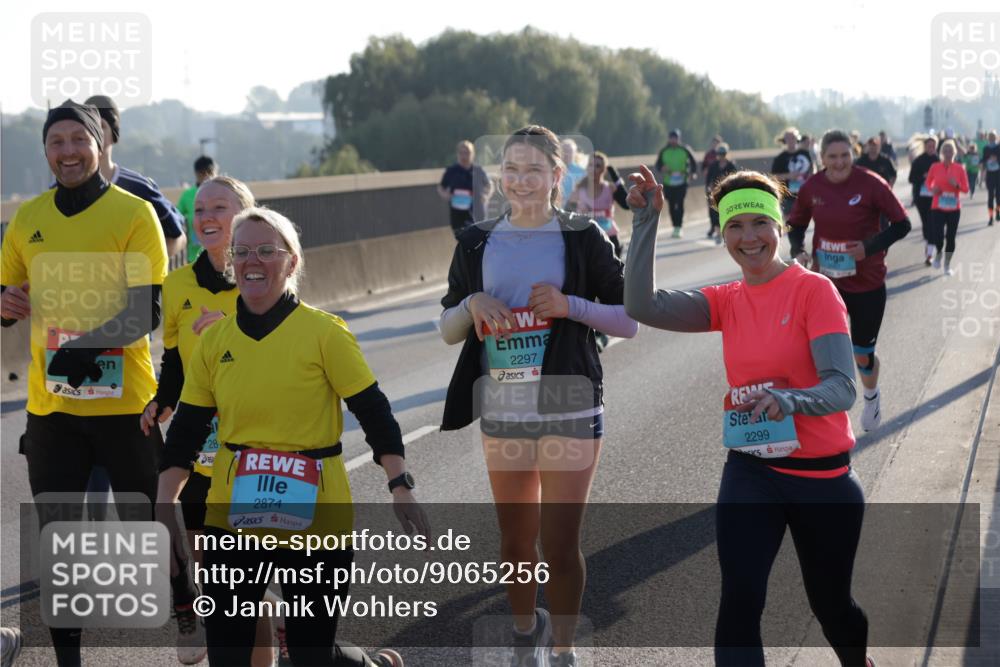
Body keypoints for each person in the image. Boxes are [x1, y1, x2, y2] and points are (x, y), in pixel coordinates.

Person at [623, 165, 873, 667]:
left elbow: (843, 387)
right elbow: (642, 306)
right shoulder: (726, 300)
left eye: (760, 222)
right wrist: (646, 221)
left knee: (831, 606)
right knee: (740, 600)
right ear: (723, 234)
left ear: (779, 225)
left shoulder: (814, 291)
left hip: (822, 479)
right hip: (751, 472)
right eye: (735, 226)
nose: (749, 237)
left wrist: (791, 400)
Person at [157, 206, 424, 666]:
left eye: (267, 250)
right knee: (228, 652)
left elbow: (373, 411)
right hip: (232, 515)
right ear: (231, 263)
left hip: (317, 515)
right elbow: (186, 432)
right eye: (242, 252)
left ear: (292, 262)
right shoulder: (214, 342)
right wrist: (164, 509)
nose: (252, 261)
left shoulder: (324, 333)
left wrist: (400, 484)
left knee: (309, 653)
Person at [439, 125, 637, 667]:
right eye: (511, 168)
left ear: (557, 176)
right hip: (504, 405)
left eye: (534, 170)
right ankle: (527, 633)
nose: (521, 180)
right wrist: (472, 305)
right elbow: (448, 328)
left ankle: (566, 650)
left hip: (569, 400)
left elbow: (629, 321)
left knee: (559, 542)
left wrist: (570, 306)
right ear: (499, 174)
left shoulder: (583, 236)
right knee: (514, 542)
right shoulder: (476, 240)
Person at [0, 99, 168, 666]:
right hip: (53, 411)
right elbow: (5, 296)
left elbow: (145, 311)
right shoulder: (27, 218)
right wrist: (5, 303)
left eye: (79, 140)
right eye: (57, 142)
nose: (68, 151)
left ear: (99, 145)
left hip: (127, 406)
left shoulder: (134, 214)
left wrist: (81, 348)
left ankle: (188, 608)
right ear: (45, 151)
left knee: (154, 527)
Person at [140, 175, 285, 666]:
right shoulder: (177, 284)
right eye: (199, 209)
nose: (205, 217)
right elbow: (175, 360)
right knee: (221, 579)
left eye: (219, 207)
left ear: (244, 214)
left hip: (260, 446)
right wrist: (161, 401)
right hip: (202, 452)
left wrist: (231, 331)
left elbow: (287, 355)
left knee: (252, 577)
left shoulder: (266, 277)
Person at [787, 130, 912, 433]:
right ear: (822, 158)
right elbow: (796, 224)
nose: (839, 162)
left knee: (862, 355)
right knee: (818, 352)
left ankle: (871, 396)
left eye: (845, 155)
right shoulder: (812, 187)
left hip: (867, 283)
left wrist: (867, 248)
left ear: (853, 155)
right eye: (832, 157)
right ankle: (822, 414)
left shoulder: (871, 183)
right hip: (826, 285)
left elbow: (903, 224)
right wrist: (798, 249)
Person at [84, 95, 187, 259]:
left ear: (114, 134)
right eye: (89, 126)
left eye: (101, 126)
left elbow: (178, 236)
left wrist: (144, 267)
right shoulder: (60, 190)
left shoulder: (140, 187)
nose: (94, 133)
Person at [566, 151, 629, 257]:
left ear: (604, 170)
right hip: (587, 238)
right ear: (586, 168)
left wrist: (615, 177)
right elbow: (566, 215)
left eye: (598, 166)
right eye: (590, 165)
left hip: (609, 237)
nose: (593, 169)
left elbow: (627, 205)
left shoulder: (610, 188)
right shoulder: (579, 191)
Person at [925, 140, 970, 275]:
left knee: (951, 237)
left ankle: (947, 264)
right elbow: (928, 183)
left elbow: (966, 189)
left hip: (954, 208)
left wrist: (956, 185)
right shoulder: (935, 167)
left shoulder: (959, 168)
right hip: (937, 206)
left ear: (954, 153)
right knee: (938, 236)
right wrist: (933, 189)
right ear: (942, 153)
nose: (948, 153)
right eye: (945, 150)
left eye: (950, 150)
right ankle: (939, 253)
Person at [438, 140, 493, 239]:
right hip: (458, 216)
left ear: (473, 154)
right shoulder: (451, 171)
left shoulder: (479, 170)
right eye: (461, 153)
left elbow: (489, 185)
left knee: (477, 241)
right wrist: (446, 195)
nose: (464, 156)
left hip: (477, 215)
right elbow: (441, 187)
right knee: (463, 241)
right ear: (457, 154)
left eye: (467, 153)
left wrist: (486, 196)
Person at [653, 129, 699, 238]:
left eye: (676, 138)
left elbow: (694, 163)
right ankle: (674, 226)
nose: (674, 140)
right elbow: (657, 165)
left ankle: (679, 227)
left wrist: (692, 173)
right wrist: (662, 168)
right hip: (669, 182)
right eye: (672, 138)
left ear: (679, 139)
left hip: (682, 181)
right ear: (669, 139)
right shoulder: (664, 151)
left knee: (680, 203)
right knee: (671, 205)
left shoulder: (685, 149)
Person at [177, 156, 219, 263]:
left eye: (210, 172)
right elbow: (176, 216)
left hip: (220, 256)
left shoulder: (223, 193)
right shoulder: (187, 195)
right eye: (203, 173)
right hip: (195, 257)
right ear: (196, 174)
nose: (207, 177)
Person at [908, 136, 940, 264]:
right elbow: (911, 179)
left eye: (933, 146)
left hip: (935, 198)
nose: (931, 148)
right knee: (926, 224)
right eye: (929, 146)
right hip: (921, 198)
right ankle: (928, 244)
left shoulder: (938, 161)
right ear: (925, 147)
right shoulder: (918, 161)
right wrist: (923, 177)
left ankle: (929, 254)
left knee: (932, 224)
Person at [770, 128, 814, 219]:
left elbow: (811, 170)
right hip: (788, 196)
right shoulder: (780, 158)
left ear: (797, 139)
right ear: (784, 140)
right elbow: (774, 177)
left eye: (793, 138)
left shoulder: (805, 154)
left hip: (805, 194)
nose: (791, 140)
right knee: (790, 221)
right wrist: (789, 176)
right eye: (788, 138)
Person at [704, 143, 739, 243]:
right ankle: (718, 234)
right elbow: (708, 180)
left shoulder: (731, 165)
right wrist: (708, 190)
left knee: (726, 213)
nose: (721, 156)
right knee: (714, 214)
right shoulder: (713, 166)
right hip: (715, 193)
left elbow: (736, 180)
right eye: (719, 154)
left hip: (728, 193)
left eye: (723, 154)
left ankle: (725, 233)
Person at [982, 130, 1000, 225]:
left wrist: (997, 158)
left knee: (998, 196)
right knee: (990, 196)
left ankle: (998, 212)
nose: (991, 138)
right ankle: (990, 217)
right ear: (988, 138)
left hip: (998, 174)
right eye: (990, 137)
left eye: (993, 137)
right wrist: (983, 162)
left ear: (996, 137)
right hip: (990, 174)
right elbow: (984, 159)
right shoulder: (986, 148)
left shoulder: (999, 147)